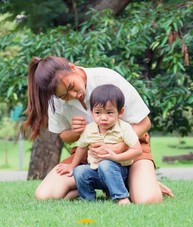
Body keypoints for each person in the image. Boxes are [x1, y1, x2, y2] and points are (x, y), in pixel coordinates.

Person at [23, 56, 174, 204]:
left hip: (130, 150)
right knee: (44, 195)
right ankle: (119, 185)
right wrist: (75, 132)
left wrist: (119, 148)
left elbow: (145, 122)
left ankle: (135, 183)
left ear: (73, 68)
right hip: (90, 156)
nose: (74, 95)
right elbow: (64, 136)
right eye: (64, 95)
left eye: (71, 86)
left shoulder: (107, 78)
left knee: (148, 200)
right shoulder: (56, 101)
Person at [56, 84, 142, 205]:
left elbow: (137, 150)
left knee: (106, 164)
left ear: (120, 112)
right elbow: (81, 147)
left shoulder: (124, 128)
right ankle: (88, 199)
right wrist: (72, 165)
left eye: (109, 113)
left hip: (118, 172)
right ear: (91, 112)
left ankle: (121, 197)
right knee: (80, 171)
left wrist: (116, 157)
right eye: (98, 112)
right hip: (95, 170)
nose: (103, 118)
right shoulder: (90, 129)